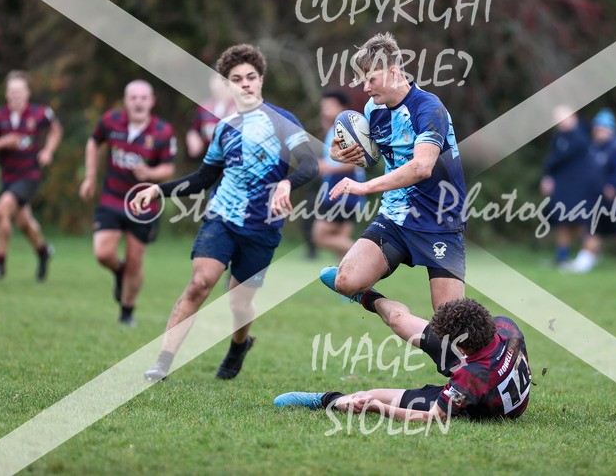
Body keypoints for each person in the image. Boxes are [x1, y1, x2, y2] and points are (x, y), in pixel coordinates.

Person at [130, 44, 318, 381]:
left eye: (250, 77)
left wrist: (286, 184)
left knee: (238, 303)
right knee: (199, 283)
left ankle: (238, 345)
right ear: (228, 85)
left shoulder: (283, 121)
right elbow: (204, 179)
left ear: (260, 80)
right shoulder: (224, 127)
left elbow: (309, 163)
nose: (245, 84)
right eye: (236, 79)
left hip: (262, 226)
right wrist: (159, 189)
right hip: (222, 216)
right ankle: (162, 362)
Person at [320, 32, 467, 311]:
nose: (365, 88)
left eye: (370, 79)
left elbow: (422, 167)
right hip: (396, 216)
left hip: (440, 220)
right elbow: (374, 157)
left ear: (394, 72)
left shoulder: (428, 109)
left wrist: (366, 187)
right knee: (346, 281)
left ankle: (490, 346)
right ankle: (391, 311)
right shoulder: (373, 110)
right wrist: (339, 155)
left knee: (451, 321)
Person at [274, 296, 531, 421]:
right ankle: (366, 295)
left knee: (371, 395)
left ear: (460, 348)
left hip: (476, 399)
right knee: (400, 321)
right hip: (488, 365)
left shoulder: (469, 376)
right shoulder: (506, 328)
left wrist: (378, 408)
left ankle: (326, 400)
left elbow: (432, 418)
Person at [79, 80, 176, 326]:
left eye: (143, 98)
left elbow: (169, 168)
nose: (138, 102)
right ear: (126, 101)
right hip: (111, 197)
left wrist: (150, 174)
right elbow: (93, 142)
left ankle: (126, 312)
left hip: (143, 204)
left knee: (135, 261)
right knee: (103, 253)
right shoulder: (111, 121)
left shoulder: (163, 131)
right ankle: (119, 272)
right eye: (133, 98)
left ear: (152, 101)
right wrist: (90, 177)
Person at [0, 70, 62, 281]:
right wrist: (5, 142)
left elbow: (56, 130)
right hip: (8, 176)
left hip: (29, 174)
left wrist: (48, 151)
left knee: (1, 210)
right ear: (6, 94)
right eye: (12, 92)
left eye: (20, 91)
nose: (16, 95)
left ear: (28, 93)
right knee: (24, 222)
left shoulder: (39, 113)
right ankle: (43, 252)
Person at [569, 108, 616, 275]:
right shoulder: (594, 148)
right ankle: (585, 260)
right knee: (593, 230)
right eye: (597, 128)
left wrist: (614, 186)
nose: (599, 131)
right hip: (596, 197)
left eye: (603, 128)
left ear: (611, 129)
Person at [311, 89, 366, 260]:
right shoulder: (332, 129)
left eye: (329, 106)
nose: (324, 110)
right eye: (323, 107)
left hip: (343, 190)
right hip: (345, 190)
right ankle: (354, 284)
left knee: (319, 236)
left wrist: (327, 167)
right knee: (340, 251)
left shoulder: (345, 130)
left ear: (342, 107)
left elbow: (355, 162)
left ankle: (368, 253)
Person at [540, 105, 593, 268]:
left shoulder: (580, 136)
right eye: (558, 119)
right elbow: (552, 160)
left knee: (579, 220)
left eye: (564, 118)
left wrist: (548, 165)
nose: (561, 122)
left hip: (578, 186)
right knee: (562, 220)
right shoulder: (559, 137)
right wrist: (548, 177)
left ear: (574, 116)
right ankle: (562, 257)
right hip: (562, 186)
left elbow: (557, 159)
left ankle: (588, 256)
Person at [185, 71, 237, 159]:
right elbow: (195, 129)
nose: (218, 86)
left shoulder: (242, 107)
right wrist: (194, 139)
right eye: (214, 82)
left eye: (222, 82)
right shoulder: (205, 108)